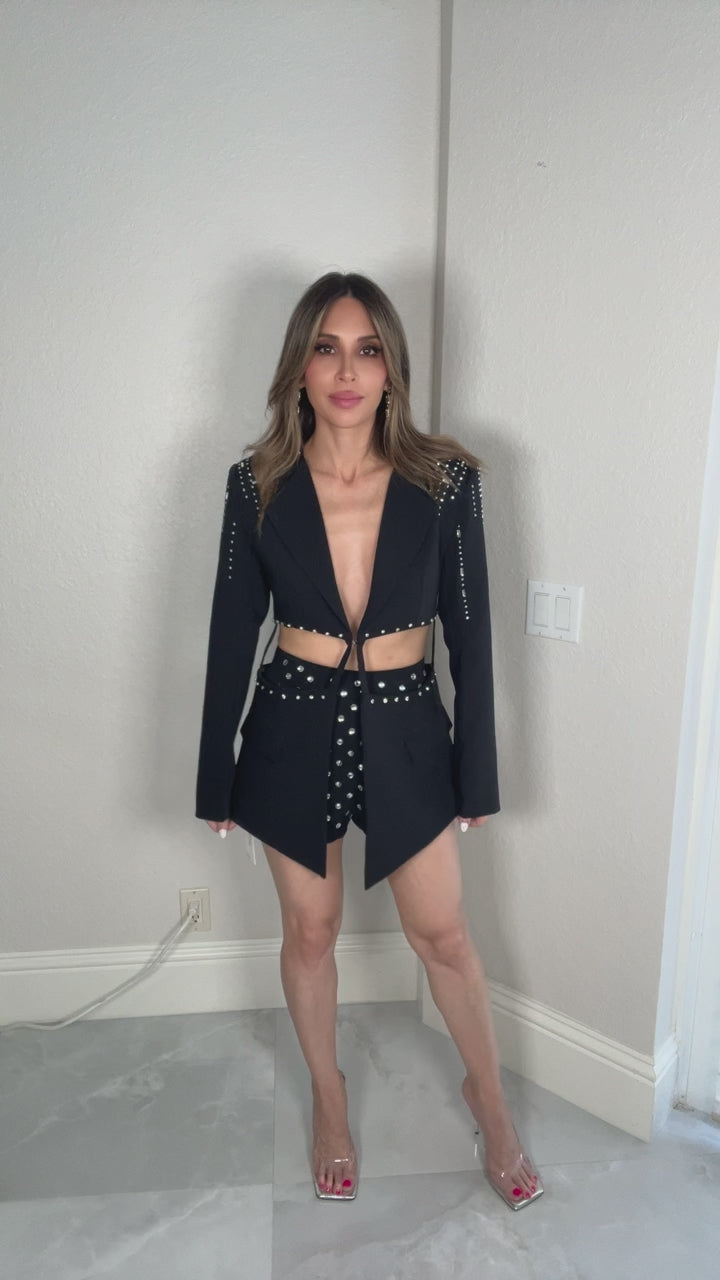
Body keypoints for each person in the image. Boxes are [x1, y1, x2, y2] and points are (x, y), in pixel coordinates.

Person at [195, 271, 543, 1208]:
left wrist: (476, 773)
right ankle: (329, 1095)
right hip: (290, 719)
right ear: (299, 367)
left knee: (446, 936)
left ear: (392, 369)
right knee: (311, 933)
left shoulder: (447, 482)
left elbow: (470, 633)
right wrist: (214, 775)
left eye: (368, 349)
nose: (347, 371)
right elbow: (232, 630)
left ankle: (489, 1100)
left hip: (407, 726)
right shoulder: (256, 484)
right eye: (327, 348)